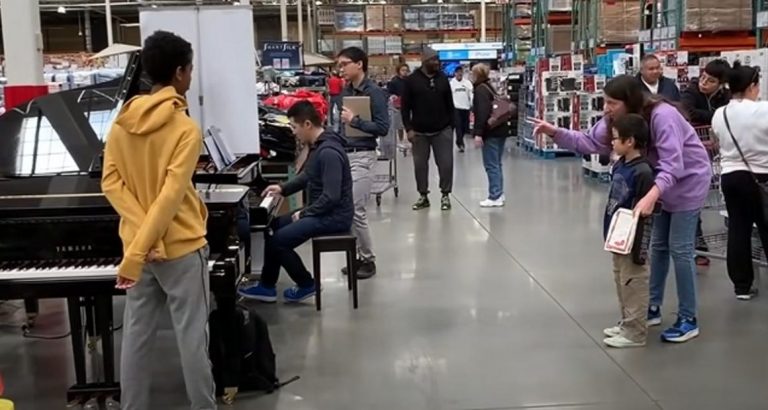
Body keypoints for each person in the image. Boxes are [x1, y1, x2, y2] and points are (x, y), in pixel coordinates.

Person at [530, 75, 711, 343]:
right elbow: (589, 142)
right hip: (656, 186)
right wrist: (554, 132)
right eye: (605, 101)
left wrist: (652, 195)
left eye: (612, 102)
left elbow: (674, 165)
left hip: (687, 182)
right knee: (657, 246)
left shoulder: (663, 116)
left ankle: (688, 318)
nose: (606, 108)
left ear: (630, 101)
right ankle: (650, 307)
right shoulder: (617, 122)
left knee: (680, 249)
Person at [101, 30, 216, 409]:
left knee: (136, 337)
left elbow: (112, 185)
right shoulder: (185, 129)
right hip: (181, 249)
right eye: (191, 69)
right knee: (192, 339)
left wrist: (137, 248)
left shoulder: (120, 124)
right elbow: (169, 198)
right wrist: (152, 244)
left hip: (136, 247)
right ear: (181, 73)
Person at [239, 101, 354, 302]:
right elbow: (308, 176)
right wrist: (283, 188)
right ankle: (267, 286)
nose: (293, 132)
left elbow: (332, 196)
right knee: (273, 226)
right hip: (323, 210)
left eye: (294, 127)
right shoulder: (319, 146)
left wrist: (305, 212)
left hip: (335, 216)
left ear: (307, 124)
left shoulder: (328, 152)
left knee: (278, 241)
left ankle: (307, 284)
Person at [711, 61, 768, 300]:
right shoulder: (762, 110)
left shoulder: (719, 113)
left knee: (738, 229)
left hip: (730, 177)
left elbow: (718, 141)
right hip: (761, 177)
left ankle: (742, 286)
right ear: (752, 86)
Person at [601, 114, 655, 348]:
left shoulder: (643, 172)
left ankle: (636, 332)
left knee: (634, 281)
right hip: (617, 234)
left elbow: (645, 212)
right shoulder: (621, 164)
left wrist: (639, 246)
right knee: (621, 279)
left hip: (633, 237)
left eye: (615, 139)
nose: (612, 143)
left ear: (630, 141)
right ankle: (626, 322)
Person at [337, 47, 389, 279]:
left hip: (363, 155)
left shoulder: (374, 92)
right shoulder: (346, 91)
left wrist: (354, 120)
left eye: (344, 64)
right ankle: (356, 257)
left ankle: (368, 260)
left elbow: (382, 127)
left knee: (356, 209)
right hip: (345, 154)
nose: (341, 69)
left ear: (359, 64)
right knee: (347, 209)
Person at [681, 59, 732, 266]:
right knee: (694, 202)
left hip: (717, 155)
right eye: (703, 77)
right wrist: (716, 117)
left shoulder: (725, 97)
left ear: (721, 84)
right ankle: (698, 248)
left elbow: (729, 114)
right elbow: (689, 112)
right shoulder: (690, 91)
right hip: (692, 154)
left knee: (708, 200)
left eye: (710, 81)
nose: (704, 83)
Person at [401, 47, 455, 211]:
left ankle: (445, 195)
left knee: (446, 164)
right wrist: (408, 129)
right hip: (419, 132)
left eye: (437, 60)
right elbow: (405, 107)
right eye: (433, 60)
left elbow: (450, 104)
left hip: (442, 130)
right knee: (420, 165)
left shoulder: (443, 79)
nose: (436, 63)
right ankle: (423, 195)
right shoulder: (411, 81)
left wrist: (452, 127)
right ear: (424, 61)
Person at [471, 63, 508, 207]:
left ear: (476, 74)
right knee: (497, 163)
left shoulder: (480, 90)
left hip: (490, 132)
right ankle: (499, 192)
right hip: (500, 129)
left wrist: (478, 133)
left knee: (491, 165)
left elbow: (482, 113)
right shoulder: (490, 87)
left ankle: (495, 196)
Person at [450, 66, 473, 152]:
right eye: (458, 72)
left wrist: (471, 104)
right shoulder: (451, 83)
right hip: (455, 108)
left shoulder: (467, 83)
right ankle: (460, 143)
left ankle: (459, 140)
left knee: (464, 127)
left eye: (461, 72)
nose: (459, 74)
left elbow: (471, 94)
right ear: (455, 73)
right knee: (458, 126)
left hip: (465, 107)